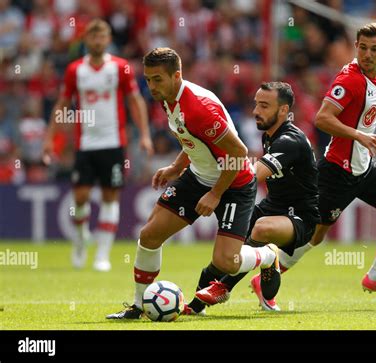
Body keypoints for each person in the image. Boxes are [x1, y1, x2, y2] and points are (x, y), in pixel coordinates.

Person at [251, 23, 376, 310]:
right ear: (356, 46)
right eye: (362, 47)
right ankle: (267, 277)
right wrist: (358, 135)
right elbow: (322, 119)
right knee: (314, 235)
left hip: (364, 167)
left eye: (374, 49)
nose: (367, 54)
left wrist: (364, 137)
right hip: (337, 172)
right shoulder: (349, 80)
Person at [106, 47, 280, 319]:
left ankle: (268, 255)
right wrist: (176, 166)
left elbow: (238, 153)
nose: (151, 86)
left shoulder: (200, 107)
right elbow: (194, 139)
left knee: (227, 263)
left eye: (157, 79)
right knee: (149, 236)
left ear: (177, 75)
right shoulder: (168, 97)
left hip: (234, 182)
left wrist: (215, 193)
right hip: (199, 176)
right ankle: (138, 306)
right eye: (148, 79)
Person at [193, 82, 320, 311]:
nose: (255, 111)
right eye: (255, 105)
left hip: (301, 218)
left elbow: (254, 175)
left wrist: (216, 189)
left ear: (283, 110)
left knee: (260, 229)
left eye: (264, 105)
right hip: (271, 208)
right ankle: (196, 303)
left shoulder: (290, 141)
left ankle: (227, 285)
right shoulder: (269, 135)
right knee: (227, 242)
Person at [42, 19, 153, 272]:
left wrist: (145, 134)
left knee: (109, 197)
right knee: (80, 197)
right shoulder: (75, 71)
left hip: (114, 142)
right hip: (85, 143)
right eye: (93, 37)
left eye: (102, 37)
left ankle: (102, 254)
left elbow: (135, 101)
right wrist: (50, 138)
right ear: (86, 40)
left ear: (108, 39)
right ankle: (81, 239)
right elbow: (62, 104)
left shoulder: (120, 68)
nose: (98, 41)